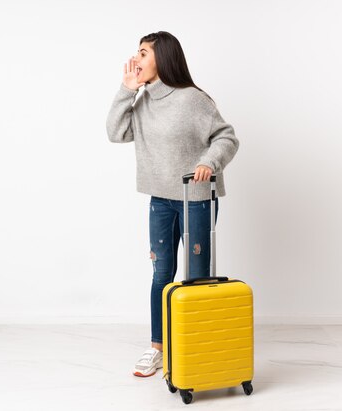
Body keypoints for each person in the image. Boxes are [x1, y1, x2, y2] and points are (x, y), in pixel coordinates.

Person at [105, 31, 239, 377]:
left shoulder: (193, 99)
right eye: (136, 52)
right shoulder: (142, 100)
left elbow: (226, 136)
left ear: (163, 57)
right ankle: (158, 349)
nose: (136, 60)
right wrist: (126, 89)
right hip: (160, 200)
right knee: (161, 274)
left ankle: (193, 346)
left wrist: (210, 161)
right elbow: (115, 132)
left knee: (197, 277)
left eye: (143, 53)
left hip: (195, 198)